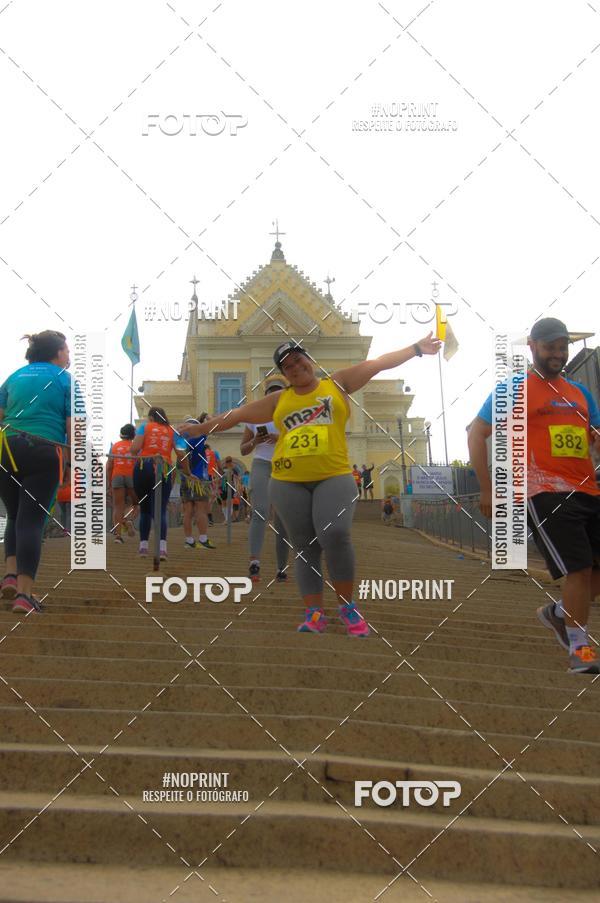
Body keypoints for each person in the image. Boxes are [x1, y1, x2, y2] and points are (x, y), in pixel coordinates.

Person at [178, 332, 441, 634]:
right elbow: (236, 416)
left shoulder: (337, 383)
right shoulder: (280, 400)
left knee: (337, 535)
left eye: (298, 360)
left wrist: (417, 348)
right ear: (283, 374)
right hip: (288, 480)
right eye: (287, 366)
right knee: (304, 547)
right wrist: (201, 428)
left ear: (309, 360)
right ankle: (314, 613)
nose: (295, 367)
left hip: (334, 475)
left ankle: (347, 608)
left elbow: (378, 364)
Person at [468, 317, 600, 674]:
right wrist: (487, 487)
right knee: (579, 568)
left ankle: (558, 614)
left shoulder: (579, 393)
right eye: (549, 347)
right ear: (532, 345)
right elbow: (476, 433)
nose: (557, 354)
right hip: (542, 490)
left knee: (595, 573)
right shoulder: (513, 390)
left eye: (562, 347)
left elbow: (595, 435)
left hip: (587, 488)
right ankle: (580, 652)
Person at [0, 331, 71, 613]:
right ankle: (24, 595)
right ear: (56, 353)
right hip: (44, 449)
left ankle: (9, 575)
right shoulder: (66, 380)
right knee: (31, 521)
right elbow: (73, 426)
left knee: (15, 516)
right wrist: (72, 463)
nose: (69, 355)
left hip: (6, 448)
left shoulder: (14, 376)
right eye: (66, 350)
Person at [240, 379, 290, 583]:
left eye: (278, 392)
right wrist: (255, 440)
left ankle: (281, 567)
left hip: (285, 465)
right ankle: (254, 562)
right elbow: (243, 449)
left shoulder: (291, 416)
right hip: (261, 463)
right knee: (259, 511)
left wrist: (280, 438)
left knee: (283, 520)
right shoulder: (254, 417)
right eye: (271, 392)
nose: (274, 396)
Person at [129, 407, 190, 559]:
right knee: (160, 509)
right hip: (164, 469)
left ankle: (143, 547)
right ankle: (162, 549)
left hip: (144, 467)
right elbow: (182, 454)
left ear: (151, 417)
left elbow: (134, 449)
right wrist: (189, 473)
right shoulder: (172, 431)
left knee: (145, 509)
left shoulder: (144, 427)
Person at [179, 415, 216, 551]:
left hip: (186, 476)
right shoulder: (200, 437)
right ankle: (203, 539)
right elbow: (212, 425)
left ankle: (189, 540)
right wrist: (206, 417)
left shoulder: (181, 441)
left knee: (187, 511)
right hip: (199, 477)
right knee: (201, 509)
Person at [107, 424, 138, 543]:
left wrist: (110, 483)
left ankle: (118, 536)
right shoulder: (136, 446)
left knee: (118, 507)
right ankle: (128, 520)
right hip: (131, 476)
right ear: (133, 434)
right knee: (135, 504)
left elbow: (110, 466)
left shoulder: (114, 446)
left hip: (117, 475)